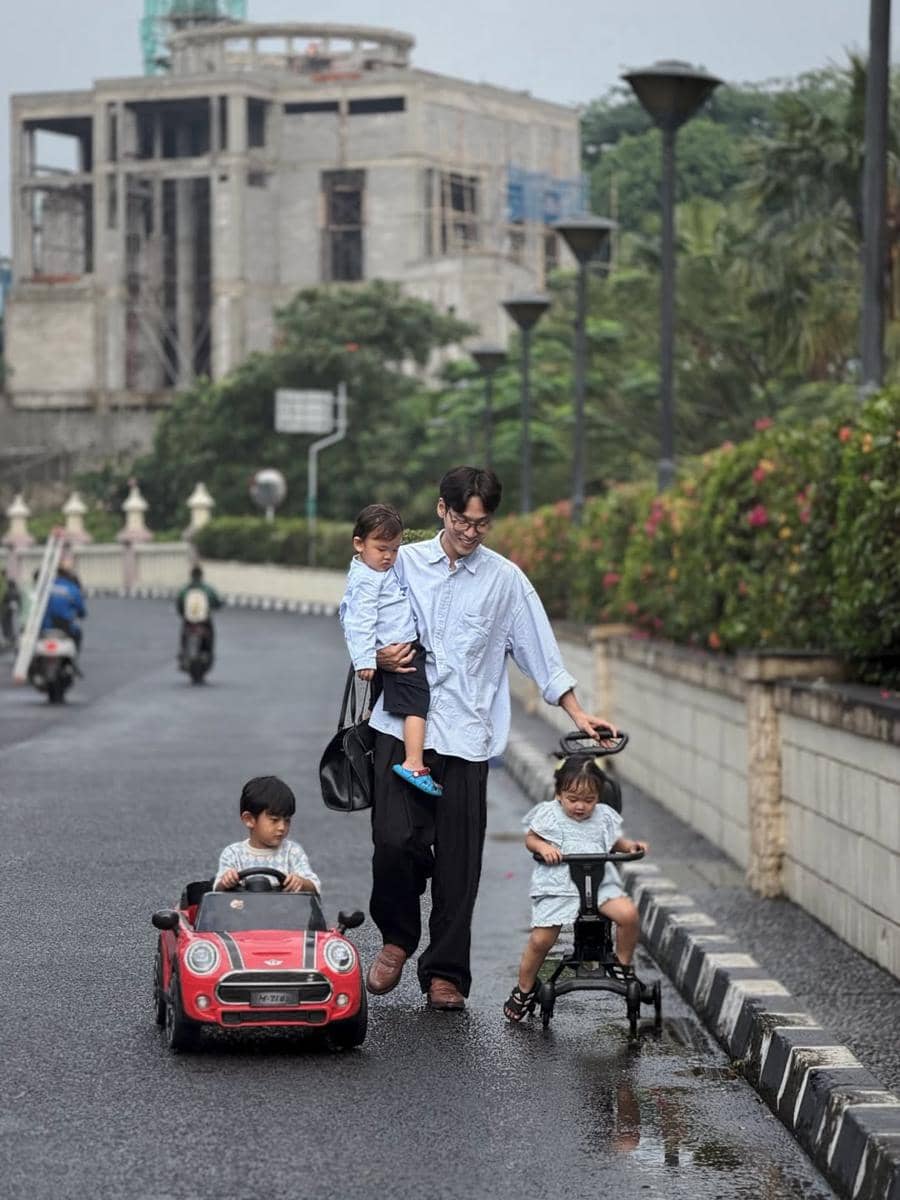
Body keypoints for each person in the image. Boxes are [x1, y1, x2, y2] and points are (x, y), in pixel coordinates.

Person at [364, 465, 618, 1012]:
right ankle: (397, 937)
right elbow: (356, 610)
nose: (471, 532)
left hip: (467, 738)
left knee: (459, 863)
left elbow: (540, 654)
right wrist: (375, 655)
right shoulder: (400, 564)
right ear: (442, 511)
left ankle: (446, 972)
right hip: (400, 727)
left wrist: (577, 713)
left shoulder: (505, 580)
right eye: (462, 520)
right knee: (393, 842)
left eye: (482, 523)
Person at [502, 752, 647, 1022]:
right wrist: (544, 847)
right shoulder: (549, 814)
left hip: (599, 884)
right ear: (559, 793)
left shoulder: (603, 816)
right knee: (541, 939)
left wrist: (630, 847)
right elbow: (531, 839)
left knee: (628, 915)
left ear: (598, 797)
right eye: (573, 799)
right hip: (560, 884)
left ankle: (623, 964)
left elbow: (615, 841)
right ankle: (524, 988)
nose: (580, 806)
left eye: (589, 800)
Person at [339, 503, 441, 797]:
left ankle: (379, 725)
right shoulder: (366, 581)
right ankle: (413, 762)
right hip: (400, 654)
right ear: (359, 544)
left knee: (384, 704)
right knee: (416, 703)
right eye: (382, 548)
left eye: (395, 550)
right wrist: (365, 659)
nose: (389, 557)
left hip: (397, 649)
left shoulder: (373, 572)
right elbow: (359, 622)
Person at [214, 775, 321, 894]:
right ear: (249, 819)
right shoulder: (233, 854)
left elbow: (314, 887)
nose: (282, 827)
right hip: (244, 910)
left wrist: (301, 883)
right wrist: (226, 881)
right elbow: (217, 892)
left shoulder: (292, 852)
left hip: (284, 910)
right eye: (274, 820)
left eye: (287, 820)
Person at [176, 564, 222, 665]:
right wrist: (218, 605)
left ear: (191, 575)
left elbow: (179, 603)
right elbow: (216, 601)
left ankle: (183, 651)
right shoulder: (207, 589)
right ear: (201, 576)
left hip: (189, 619)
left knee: (184, 633)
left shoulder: (185, 589)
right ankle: (208, 652)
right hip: (204, 620)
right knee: (210, 633)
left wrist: (181, 613)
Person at [41, 562, 86, 652]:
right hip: (65, 627)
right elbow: (81, 609)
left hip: (45, 626)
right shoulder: (72, 588)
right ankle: (74, 658)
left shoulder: (46, 586)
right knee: (77, 634)